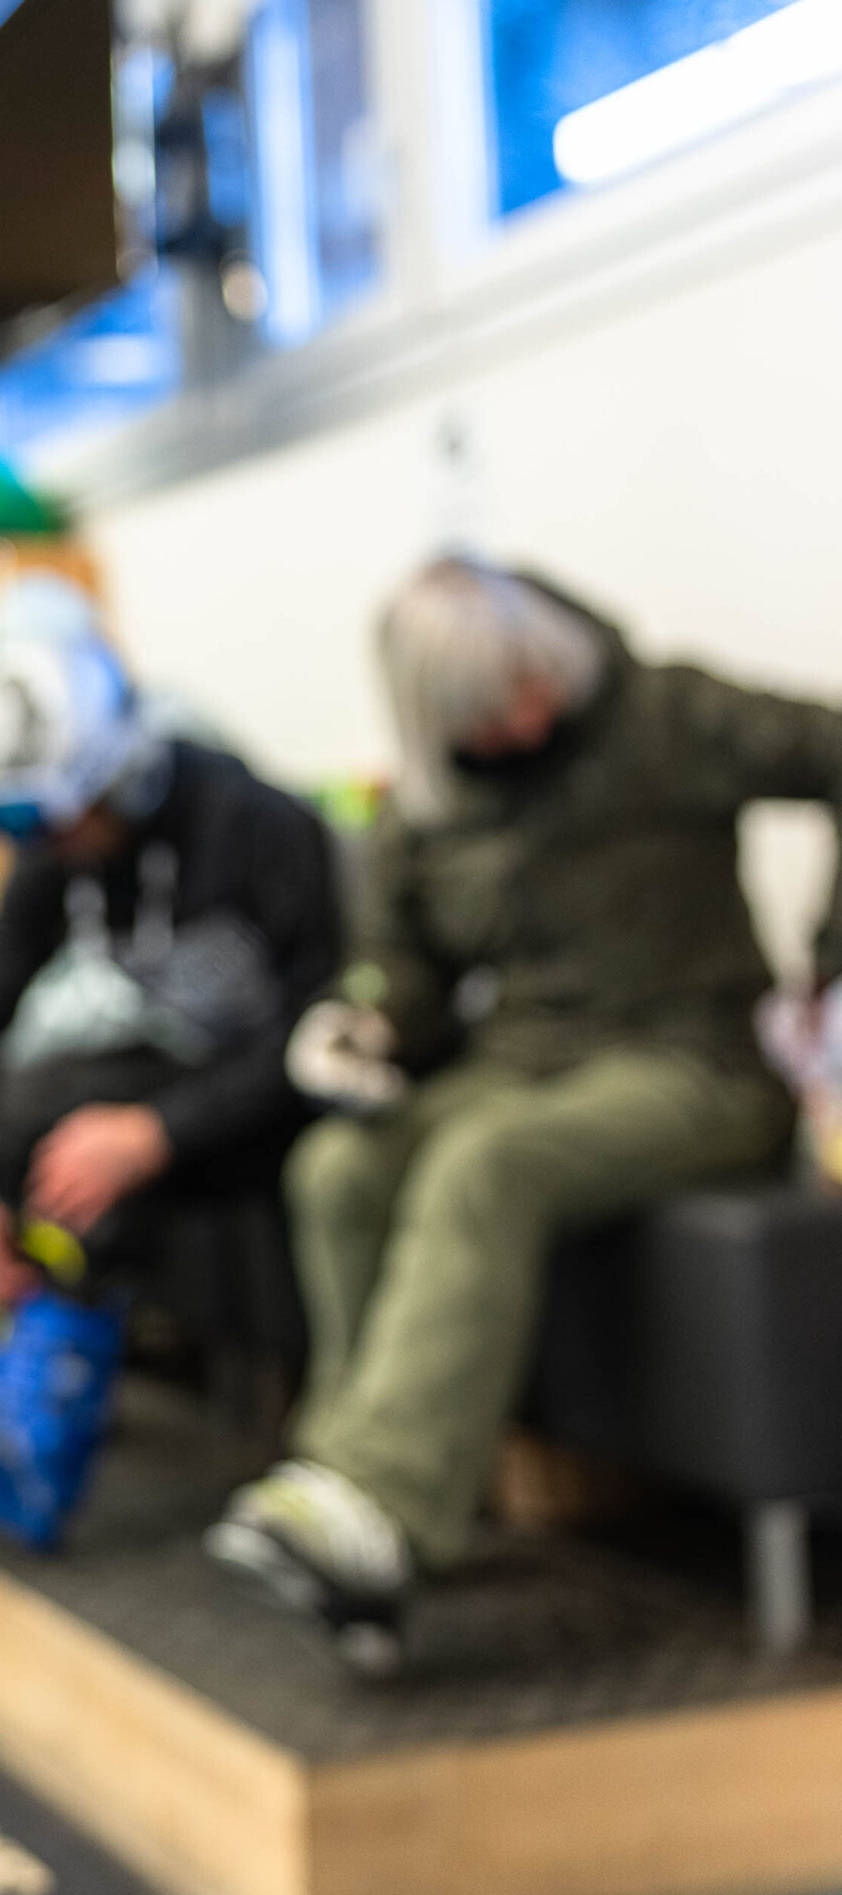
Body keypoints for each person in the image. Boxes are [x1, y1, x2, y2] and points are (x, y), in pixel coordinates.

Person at [207, 557, 842, 1671]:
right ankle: (347, 1510)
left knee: (485, 1160)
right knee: (339, 1169)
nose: (524, 716)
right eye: (487, 710)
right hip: (522, 1056)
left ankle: (379, 1502)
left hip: (690, 1062)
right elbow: (397, 968)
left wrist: (829, 971)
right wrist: (363, 1030)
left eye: (529, 682)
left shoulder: (667, 715)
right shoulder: (426, 805)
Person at [0, 572, 341, 1547]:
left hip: (274, 1104)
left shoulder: (265, 830)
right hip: (153, 1084)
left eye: (55, 821)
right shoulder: (65, 847)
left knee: (78, 1129)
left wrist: (156, 1134)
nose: (46, 846)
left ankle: (28, 1441)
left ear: (117, 771)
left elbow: (318, 1031)